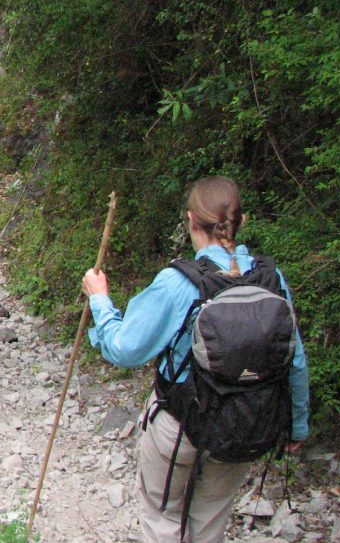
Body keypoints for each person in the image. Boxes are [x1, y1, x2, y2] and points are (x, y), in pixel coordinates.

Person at [81, 176, 310, 543]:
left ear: (190, 220)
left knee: (162, 517)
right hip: (246, 422)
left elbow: (125, 348)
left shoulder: (180, 282)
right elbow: (294, 361)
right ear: (242, 221)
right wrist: (296, 427)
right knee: (209, 521)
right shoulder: (272, 280)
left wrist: (99, 299)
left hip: (180, 424)